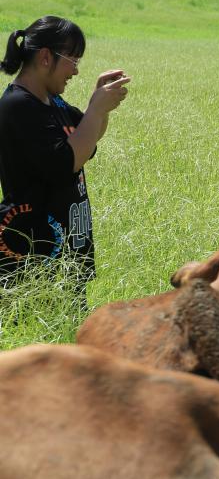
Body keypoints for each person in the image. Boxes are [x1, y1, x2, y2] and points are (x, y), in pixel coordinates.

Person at [0, 16, 130, 293]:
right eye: (73, 59)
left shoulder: (52, 101)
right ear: (46, 57)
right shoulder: (18, 106)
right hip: (35, 248)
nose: (76, 71)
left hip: (68, 242)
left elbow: (86, 140)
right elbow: (65, 162)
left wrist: (100, 107)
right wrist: (95, 109)